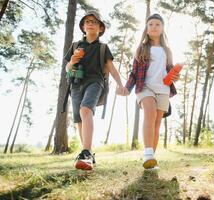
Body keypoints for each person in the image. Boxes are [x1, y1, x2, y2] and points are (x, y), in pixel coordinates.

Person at [64, 10, 126, 170]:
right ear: (83, 27)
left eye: (94, 21)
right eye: (87, 21)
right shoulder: (75, 46)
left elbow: (111, 68)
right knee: (79, 119)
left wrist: (120, 84)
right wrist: (71, 61)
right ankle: (88, 154)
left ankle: (85, 153)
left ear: (100, 28)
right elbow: (67, 69)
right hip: (76, 83)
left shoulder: (103, 48)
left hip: (95, 81)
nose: (90, 23)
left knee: (86, 110)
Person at [118, 14, 179, 169]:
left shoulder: (167, 50)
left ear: (162, 28)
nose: (154, 26)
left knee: (157, 123)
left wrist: (175, 76)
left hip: (163, 89)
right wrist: (127, 88)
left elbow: (170, 70)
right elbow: (134, 72)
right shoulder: (142, 49)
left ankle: (151, 161)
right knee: (149, 115)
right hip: (144, 86)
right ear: (146, 28)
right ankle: (148, 154)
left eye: (157, 24)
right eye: (150, 24)